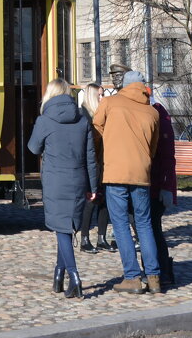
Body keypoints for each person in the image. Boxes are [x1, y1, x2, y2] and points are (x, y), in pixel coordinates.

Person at [93, 68, 163, 294]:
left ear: (123, 84)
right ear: (143, 87)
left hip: (116, 171)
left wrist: (112, 139)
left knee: (121, 223)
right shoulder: (152, 112)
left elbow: (97, 125)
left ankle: (132, 277)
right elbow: (152, 148)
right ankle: (154, 277)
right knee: (144, 224)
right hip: (141, 173)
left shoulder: (111, 103)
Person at [27, 77, 98, 300]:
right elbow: (91, 157)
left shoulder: (44, 120)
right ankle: (59, 276)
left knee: (62, 229)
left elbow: (33, 148)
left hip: (55, 181)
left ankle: (74, 277)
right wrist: (93, 185)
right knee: (66, 227)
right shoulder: (82, 120)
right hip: (78, 179)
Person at [76, 83, 115, 254]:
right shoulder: (84, 115)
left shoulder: (101, 115)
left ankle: (101, 237)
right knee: (90, 201)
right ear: (92, 96)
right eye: (99, 95)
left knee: (104, 200)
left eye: (103, 94)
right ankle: (84, 238)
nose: (102, 98)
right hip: (90, 164)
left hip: (103, 161)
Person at [150, 97, 178, 287]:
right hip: (154, 182)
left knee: (151, 228)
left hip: (155, 183)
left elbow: (167, 156)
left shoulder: (157, 114)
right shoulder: (159, 114)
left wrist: (166, 186)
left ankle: (159, 271)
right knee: (151, 228)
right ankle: (160, 270)